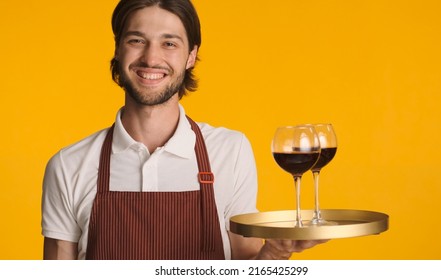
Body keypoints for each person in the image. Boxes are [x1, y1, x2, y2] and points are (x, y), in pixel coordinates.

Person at [41, 0, 326, 260]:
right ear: (118, 48)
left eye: (169, 44)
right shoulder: (68, 165)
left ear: (191, 55)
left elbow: (246, 267)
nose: (151, 59)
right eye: (137, 40)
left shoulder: (230, 151)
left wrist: (275, 253)